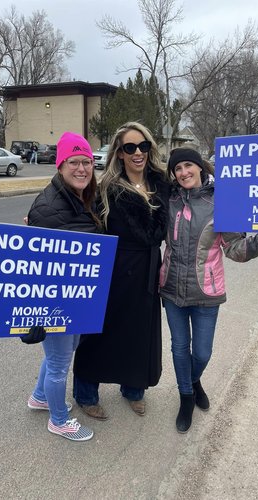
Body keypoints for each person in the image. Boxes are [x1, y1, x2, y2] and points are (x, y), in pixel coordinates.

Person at [159, 146, 258, 433]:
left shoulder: (222, 202)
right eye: (178, 169)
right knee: (179, 348)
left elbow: (236, 249)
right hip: (171, 289)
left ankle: (193, 380)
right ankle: (186, 396)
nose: (183, 173)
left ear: (200, 167)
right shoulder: (168, 200)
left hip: (206, 292)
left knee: (203, 353)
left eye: (188, 166)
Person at [73, 121, 169, 419]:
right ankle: (86, 393)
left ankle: (133, 389)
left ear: (149, 148)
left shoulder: (161, 182)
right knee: (100, 335)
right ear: (120, 152)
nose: (137, 152)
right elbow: (80, 220)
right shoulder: (107, 189)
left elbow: (196, 182)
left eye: (143, 146)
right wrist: (37, 225)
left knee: (140, 334)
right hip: (115, 271)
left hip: (147, 272)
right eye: (130, 147)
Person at [22, 131, 101, 441]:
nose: (81, 168)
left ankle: (40, 397)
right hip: (54, 298)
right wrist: (36, 314)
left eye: (86, 162)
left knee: (65, 351)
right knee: (58, 361)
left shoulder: (82, 196)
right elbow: (33, 267)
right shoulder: (47, 207)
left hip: (73, 294)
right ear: (60, 164)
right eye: (74, 162)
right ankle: (58, 419)